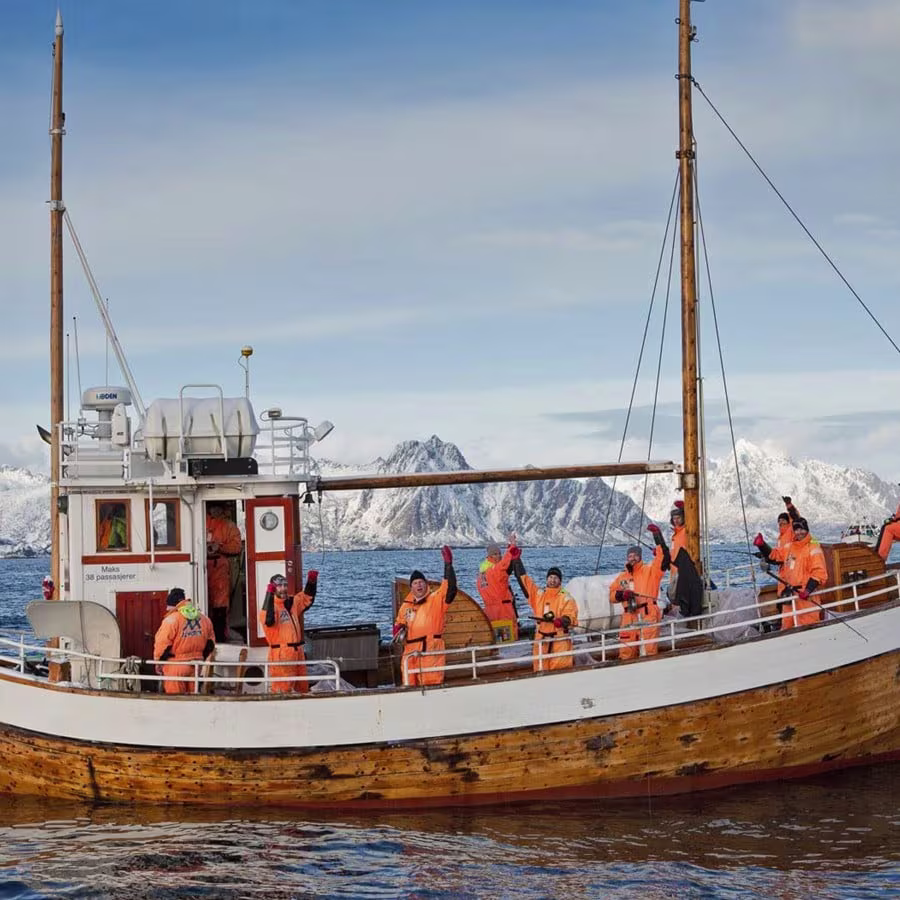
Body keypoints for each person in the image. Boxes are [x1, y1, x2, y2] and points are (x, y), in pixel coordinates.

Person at [394, 547, 457, 687]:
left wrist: (448, 566)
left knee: (431, 684)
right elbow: (399, 623)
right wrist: (397, 628)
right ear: (411, 587)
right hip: (410, 651)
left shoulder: (436, 599)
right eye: (415, 583)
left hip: (430, 649)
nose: (419, 585)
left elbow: (451, 589)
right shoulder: (406, 606)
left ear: (426, 584)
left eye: (421, 582)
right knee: (408, 684)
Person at [609, 525, 671, 660]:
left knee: (649, 649)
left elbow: (663, 558)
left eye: (635, 555)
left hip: (647, 614)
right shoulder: (622, 577)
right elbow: (612, 595)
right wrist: (621, 595)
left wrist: (657, 536)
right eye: (629, 556)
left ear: (640, 557)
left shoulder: (651, 571)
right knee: (626, 650)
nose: (632, 558)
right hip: (628, 616)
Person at [753, 516, 828, 629]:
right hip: (789, 595)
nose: (799, 532)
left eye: (802, 529)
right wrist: (762, 545)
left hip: (806, 597)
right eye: (796, 529)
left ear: (807, 530)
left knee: (808, 626)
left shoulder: (813, 548)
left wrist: (808, 590)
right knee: (786, 626)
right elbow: (774, 556)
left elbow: (819, 573)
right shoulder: (789, 547)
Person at [510, 550, 578, 672]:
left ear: (560, 581)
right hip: (541, 639)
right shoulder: (539, 595)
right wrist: (516, 560)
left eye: (556, 578)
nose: (552, 580)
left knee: (560, 671)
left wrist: (562, 621)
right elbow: (526, 583)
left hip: (559, 640)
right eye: (550, 577)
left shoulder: (566, 597)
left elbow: (571, 616)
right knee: (540, 669)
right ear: (547, 579)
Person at [259, 571, 318, 694]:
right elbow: (268, 620)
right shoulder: (271, 608)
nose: (283, 589)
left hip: (297, 652)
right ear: (273, 589)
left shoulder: (292, 603)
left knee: (303, 687)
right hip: (281, 654)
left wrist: (311, 582)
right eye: (279, 586)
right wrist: (269, 594)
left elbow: (306, 599)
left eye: (285, 585)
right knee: (282, 689)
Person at [153, 588, 215, 694]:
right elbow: (210, 644)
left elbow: (162, 645)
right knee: (193, 697)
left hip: (175, 666)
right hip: (196, 665)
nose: (168, 610)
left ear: (172, 605)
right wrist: (201, 658)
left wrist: (158, 662)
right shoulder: (205, 619)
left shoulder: (171, 620)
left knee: (176, 700)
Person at [205, 503, 242, 642]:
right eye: (212, 507)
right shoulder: (199, 520)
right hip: (201, 567)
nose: (215, 509)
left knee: (220, 605)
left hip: (220, 569)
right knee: (204, 602)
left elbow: (237, 547)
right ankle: (206, 635)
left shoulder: (229, 526)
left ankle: (220, 636)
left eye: (218, 507)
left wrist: (219, 547)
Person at [475, 535, 519, 642]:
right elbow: (505, 562)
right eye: (495, 554)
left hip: (489, 610)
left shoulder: (481, 575)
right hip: (503, 609)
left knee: (495, 638)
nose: (499, 556)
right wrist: (512, 545)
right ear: (490, 556)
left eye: (499, 553)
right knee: (510, 638)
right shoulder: (496, 570)